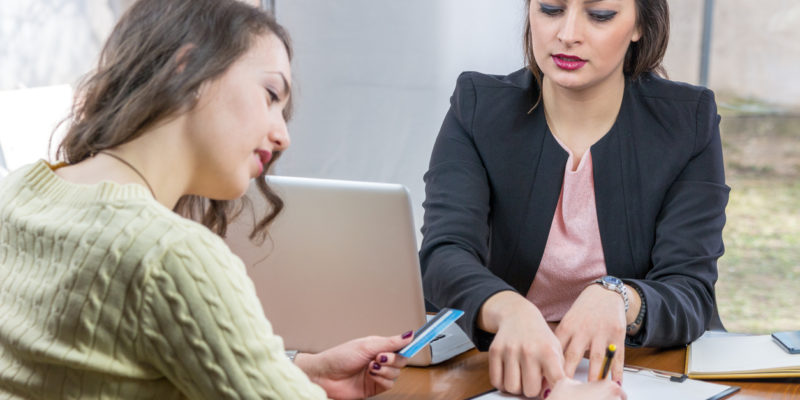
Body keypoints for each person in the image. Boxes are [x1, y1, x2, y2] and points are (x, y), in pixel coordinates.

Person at [0, 1, 413, 399]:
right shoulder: (167, 254)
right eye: (271, 94)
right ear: (189, 68)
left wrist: (304, 371)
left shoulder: (19, 191)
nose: (282, 135)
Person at [420, 0, 728, 397]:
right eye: (550, 9)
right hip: (503, 369)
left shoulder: (688, 121)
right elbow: (444, 252)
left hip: (639, 370)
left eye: (599, 15)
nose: (567, 35)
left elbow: (690, 289)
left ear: (640, 26)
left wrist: (619, 296)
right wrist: (507, 308)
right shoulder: (479, 105)